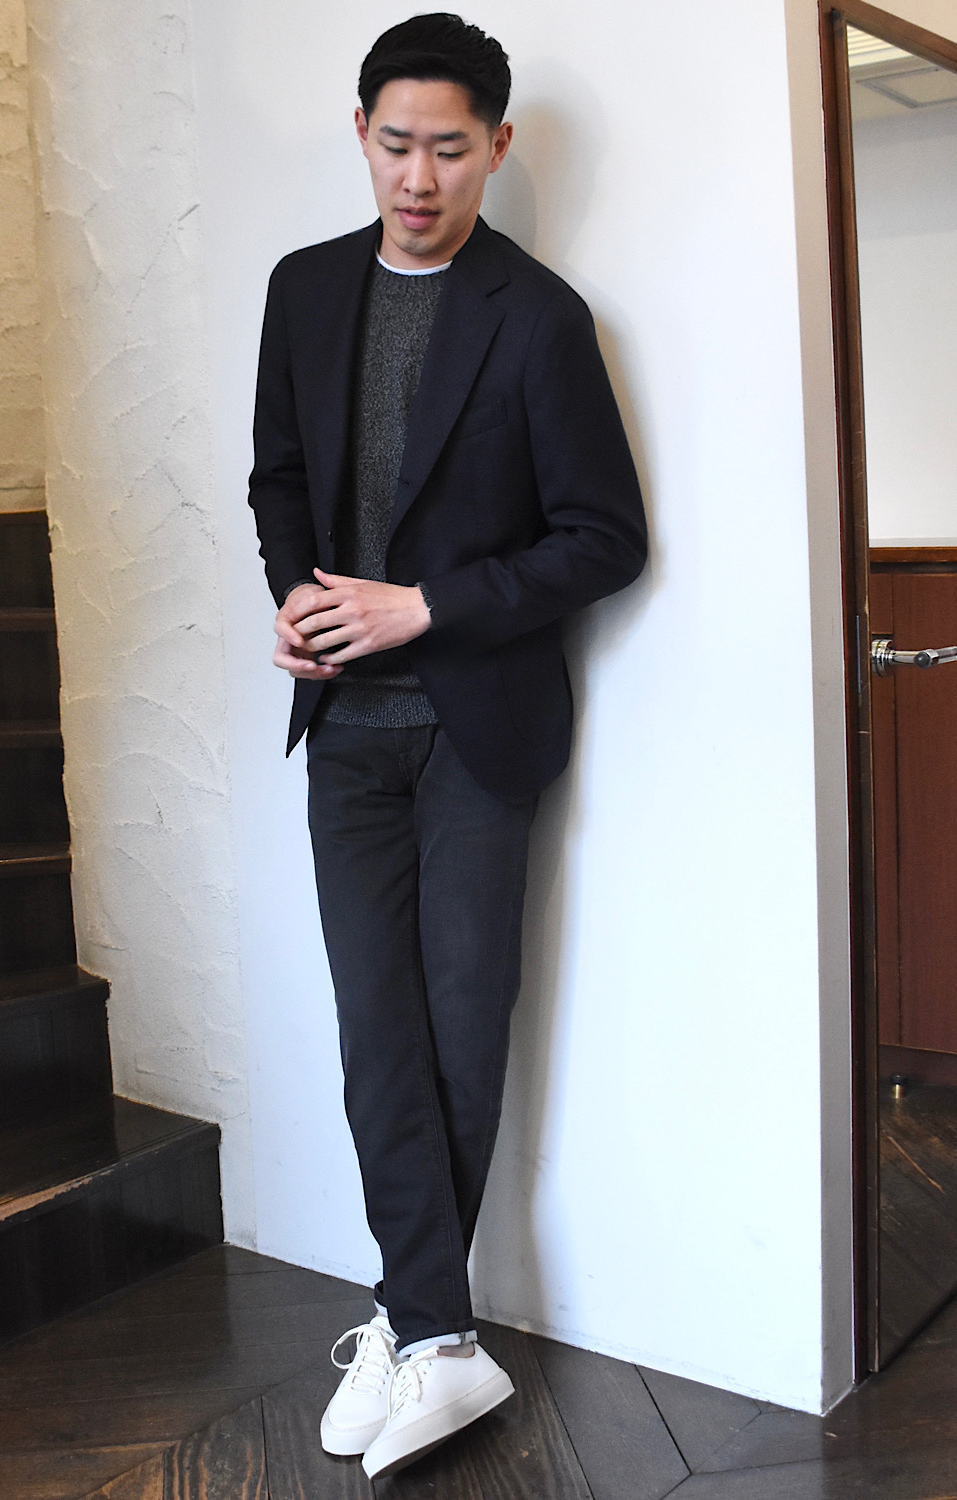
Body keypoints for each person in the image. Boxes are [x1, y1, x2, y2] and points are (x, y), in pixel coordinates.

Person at [247, 12, 647, 1480]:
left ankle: (421, 1329)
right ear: (361, 134)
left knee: (460, 1035)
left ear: (499, 147)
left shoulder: (538, 318)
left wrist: (422, 607)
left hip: (478, 737)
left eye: (452, 149)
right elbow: (278, 477)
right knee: (376, 1040)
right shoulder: (302, 290)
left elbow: (604, 538)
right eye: (398, 144)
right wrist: (299, 601)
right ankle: (435, 1335)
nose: (420, 179)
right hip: (344, 732)